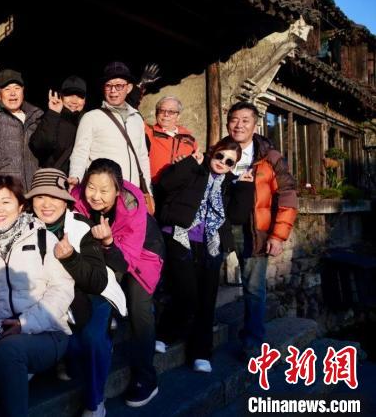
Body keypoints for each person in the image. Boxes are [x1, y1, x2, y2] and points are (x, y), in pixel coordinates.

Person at [0, 175, 74, 416]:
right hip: (0, 333)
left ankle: (20, 370)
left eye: (6, 202)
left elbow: (62, 289)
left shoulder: (42, 237)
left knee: (10, 351)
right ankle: (19, 370)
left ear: (21, 206)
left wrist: (24, 324)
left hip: (47, 331)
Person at [26, 168, 126, 417]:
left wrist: (70, 258)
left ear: (66, 200)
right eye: (40, 197)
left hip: (93, 292)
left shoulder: (81, 227)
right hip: (54, 293)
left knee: (93, 338)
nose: (46, 204)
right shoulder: (26, 226)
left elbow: (97, 281)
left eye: (54, 197)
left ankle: (95, 402)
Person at [154, 137, 254, 372]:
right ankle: (166, 334)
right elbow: (164, 185)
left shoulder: (230, 184)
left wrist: (245, 187)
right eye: (220, 156)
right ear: (213, 152)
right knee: (185, 292)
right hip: (180, 236)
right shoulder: (194, 169)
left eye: (229, 161)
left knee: (207, 299)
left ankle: (201, 352)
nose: (222, 162)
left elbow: (238, 217)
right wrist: (189, 162)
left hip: (212, 244)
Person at [71, 159, 162, 408]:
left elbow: (124, 263)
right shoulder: (77, 196)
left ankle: (146, 376)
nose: (95, 196)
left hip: (143, 251)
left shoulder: (132, 205)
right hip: (103, 248)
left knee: (139, 307)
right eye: (91, 187)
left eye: (104, 190)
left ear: (118, 190)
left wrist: (109, 243)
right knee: (93, 289)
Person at [226, 102, 298, 358]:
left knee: (254, 287)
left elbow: (287, 195)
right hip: (221, 226)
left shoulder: (271, 157)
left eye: (245, 120)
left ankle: (252, 341)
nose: (239, 125)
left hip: (255, 228)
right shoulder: (219, 151)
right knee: (205, 281)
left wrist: (278, 236)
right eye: (234, 120)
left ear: (255, 125)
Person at [69, 62, 152, 192]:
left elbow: (142, 157)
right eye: (108, 86)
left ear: (129, 88)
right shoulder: (91, 117)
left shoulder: (137, 119)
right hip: (103, 191)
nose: (113, 91)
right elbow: (80, 153)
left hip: (132, 193)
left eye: (119, 86)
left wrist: (148, 190)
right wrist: (76, 178)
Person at [0, 65, 43, 190]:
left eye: (17, 88)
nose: (13, 93)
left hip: (33, 189)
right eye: (7, 89)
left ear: (23, 91)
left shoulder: (36, 117)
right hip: (3, 189)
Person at [29, 76, 87, 174]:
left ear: (84, 100)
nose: (74, 100)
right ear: (61, 96)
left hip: (80, 182)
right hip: (55, 181)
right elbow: (39, 146)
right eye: (69, 95)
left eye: (79, 96)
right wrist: (53, 113)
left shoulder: (88, 123)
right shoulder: (51, 118)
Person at [145, 96, 198, 185]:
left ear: (178, 116)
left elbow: (196, 165)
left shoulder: (190, 139)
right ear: (156, 114)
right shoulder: (147, 132)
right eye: (162, 110)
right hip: (153, 185)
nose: (166, 114)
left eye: (171, 112)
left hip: (180, 188)